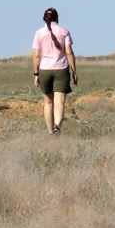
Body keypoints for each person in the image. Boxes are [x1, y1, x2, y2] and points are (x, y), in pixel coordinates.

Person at [32, 7, 78, 135]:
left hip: (45, 69)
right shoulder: (64, 31)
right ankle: (58, 127)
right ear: (57, 18)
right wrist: (74, 71)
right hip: (61, 69)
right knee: (60, 101)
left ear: (44, 18)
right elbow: (69, 52)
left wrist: (36, 74)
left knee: (48, 102)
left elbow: (36, 56)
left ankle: (51, 132)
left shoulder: (39, 33)